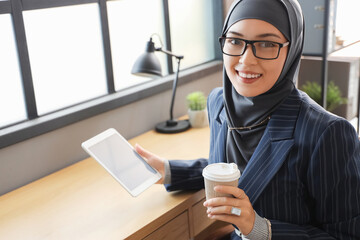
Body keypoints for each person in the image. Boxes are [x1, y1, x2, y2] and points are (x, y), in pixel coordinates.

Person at [135, 0, 360, 239]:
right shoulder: (219, 102)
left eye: (266, 44)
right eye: (235, 41)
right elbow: (236, 169)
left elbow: (346, 235)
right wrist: (168, 171)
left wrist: (259, 227)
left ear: (292, 48)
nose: (246, 60)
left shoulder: (328, 133)